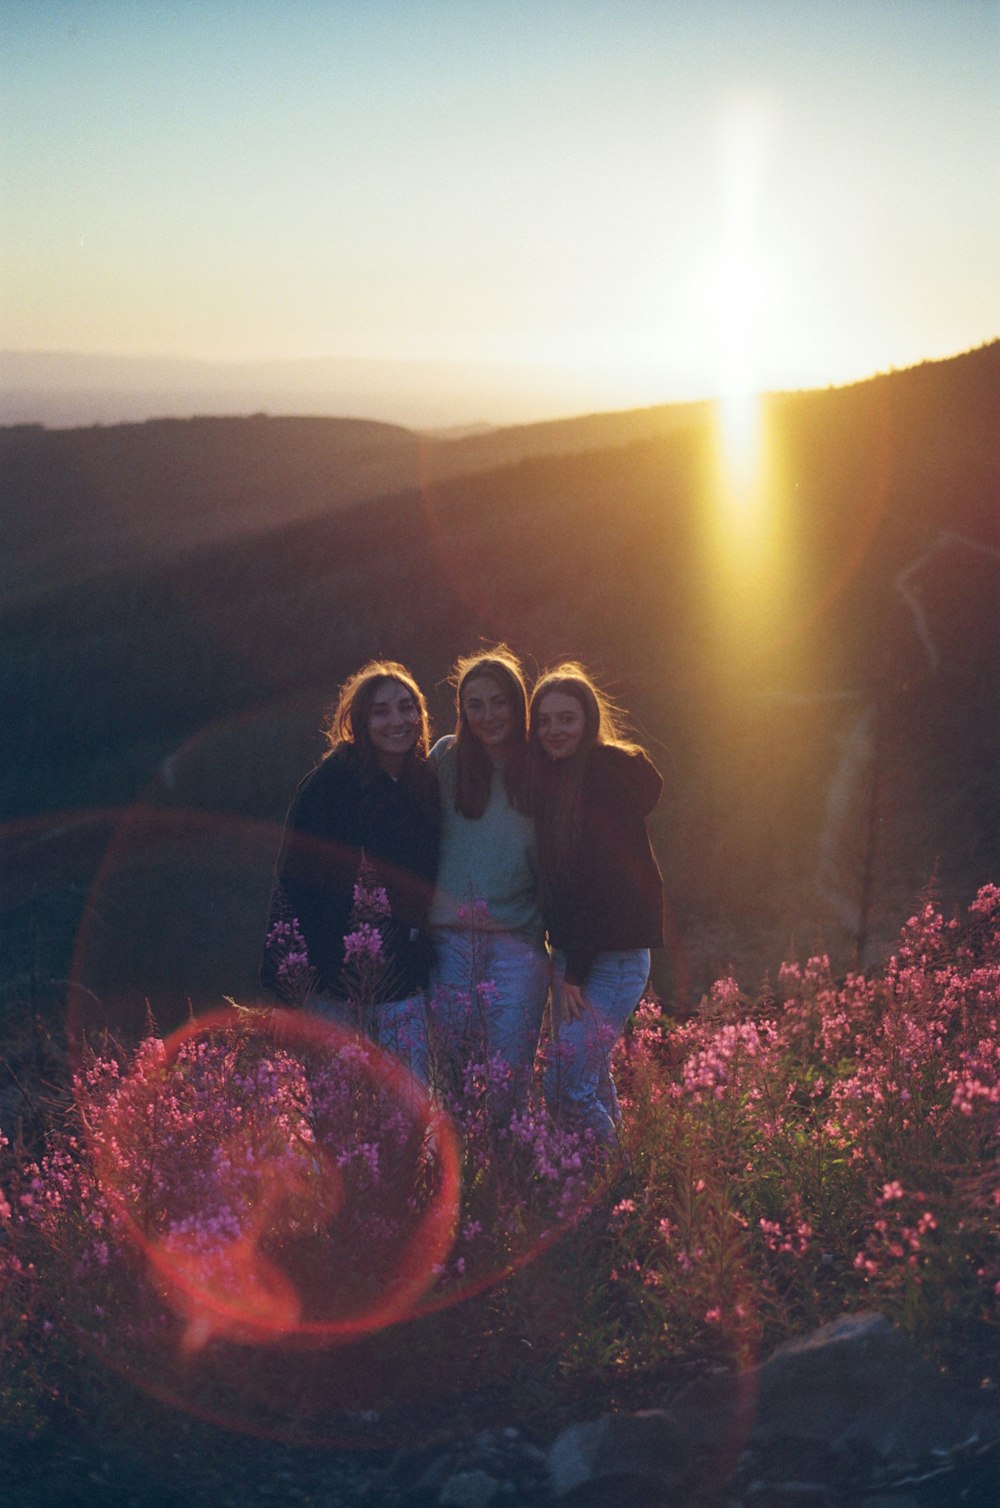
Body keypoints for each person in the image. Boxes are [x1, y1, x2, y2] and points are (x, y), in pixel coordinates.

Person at [261, 661, 439, 1079]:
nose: (397, 721)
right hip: (333, 986)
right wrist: (288, 982)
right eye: (381, 711)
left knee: (408, 1108)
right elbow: (293, 883)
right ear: (359, 720)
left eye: (406, 707)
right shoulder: (329, 785)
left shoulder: (425, 782)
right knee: (337, 1111)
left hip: (405, 980)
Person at [528, 663, 664, 1145]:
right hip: (580, 955)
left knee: (565, 1088)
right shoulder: (562, 781)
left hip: (608, 958)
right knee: (591, 1079)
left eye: (566, 718)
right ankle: (617, 1191)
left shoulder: (602, 780)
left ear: (588, 720)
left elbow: (602, 885)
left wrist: (576, 971)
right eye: (543, 720)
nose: (553, 730)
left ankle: (603, 1191)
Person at [428, 646, 548, 1106]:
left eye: (498, 701)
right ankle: (461, 1177)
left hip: (518, 946)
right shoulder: (447, 758)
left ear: (518, 704)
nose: (488, 715)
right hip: (450, 944)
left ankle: (508, 1176)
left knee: (508, 1085)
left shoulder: (542, 766)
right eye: (474, 705)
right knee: (452, 1085)